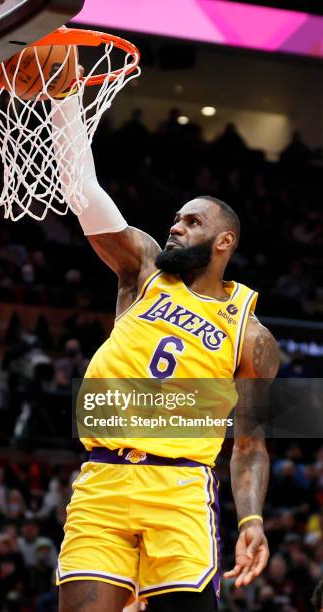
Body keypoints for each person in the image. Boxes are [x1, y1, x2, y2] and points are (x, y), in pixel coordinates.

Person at [52, 93, 280, 612]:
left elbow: (249, 447)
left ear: (225, 242)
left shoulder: (252, 335)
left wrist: (250, 522)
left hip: (179, 491)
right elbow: (83, 191)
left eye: (191, 222)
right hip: (103, 480)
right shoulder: (144, 270)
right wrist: (64, 99)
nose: (175, 226)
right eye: (175, 219)